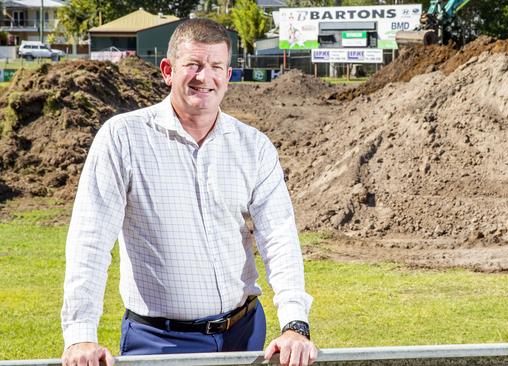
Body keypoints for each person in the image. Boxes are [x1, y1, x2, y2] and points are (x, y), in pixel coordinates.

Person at [61, 18, 317, 366]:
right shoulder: (123, 139)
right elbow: (90, 241)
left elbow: (279, 237)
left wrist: (295, 324)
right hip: (159, 341)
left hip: (243, 335)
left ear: (228, 75)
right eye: (193, 65)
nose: (204, 77)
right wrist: (80, 336)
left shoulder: (253, 146)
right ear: (168, 70)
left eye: (215, 66)